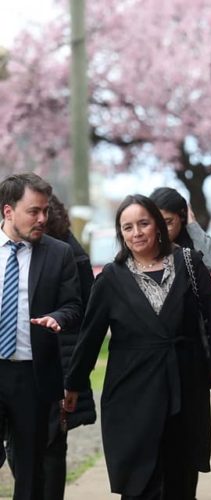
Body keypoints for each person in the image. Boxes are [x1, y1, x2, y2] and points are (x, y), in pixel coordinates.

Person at [64, 194, 211, 499]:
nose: (137, 232)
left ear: (157, 225)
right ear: (121, 234)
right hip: (131, 390)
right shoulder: (111, 278)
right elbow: (89, 337)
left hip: (184, 382)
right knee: (139, 479)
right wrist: (74, 384)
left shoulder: (189, 263)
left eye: (143, 223)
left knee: (180, 475)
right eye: (127, 227)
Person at [0, 173, 82, 500]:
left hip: (32, 375)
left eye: (45, 211)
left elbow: (74, 305)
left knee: (32, 467)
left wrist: (58, 318)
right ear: (8, 212)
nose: (42, 219)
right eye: (34, 211)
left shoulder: (58, 253)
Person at [36, 195, 97, 499]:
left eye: (41, 211)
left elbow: (84, 315)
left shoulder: (69, 254)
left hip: (58, 363)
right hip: (25, 364)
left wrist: (72, 377)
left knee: (51, 445)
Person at [149, 187, 211, 273]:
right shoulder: (146, 244)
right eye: (156, 223)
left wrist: (192, 223)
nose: (161, 229)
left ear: (182, 216)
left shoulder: (194, 244)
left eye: (168, 222)